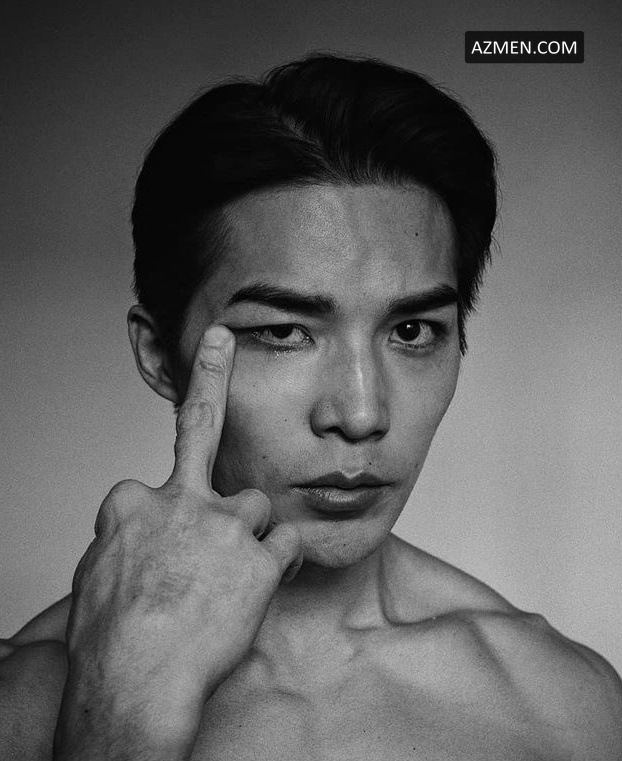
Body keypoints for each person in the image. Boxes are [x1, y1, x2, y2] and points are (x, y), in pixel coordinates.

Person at [1, 53, 620, 761]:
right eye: (283, 333)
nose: (360, 414)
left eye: (411, 331)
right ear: (160, 355)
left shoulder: (562, 709)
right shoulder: (22, 706)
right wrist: (120, 719)